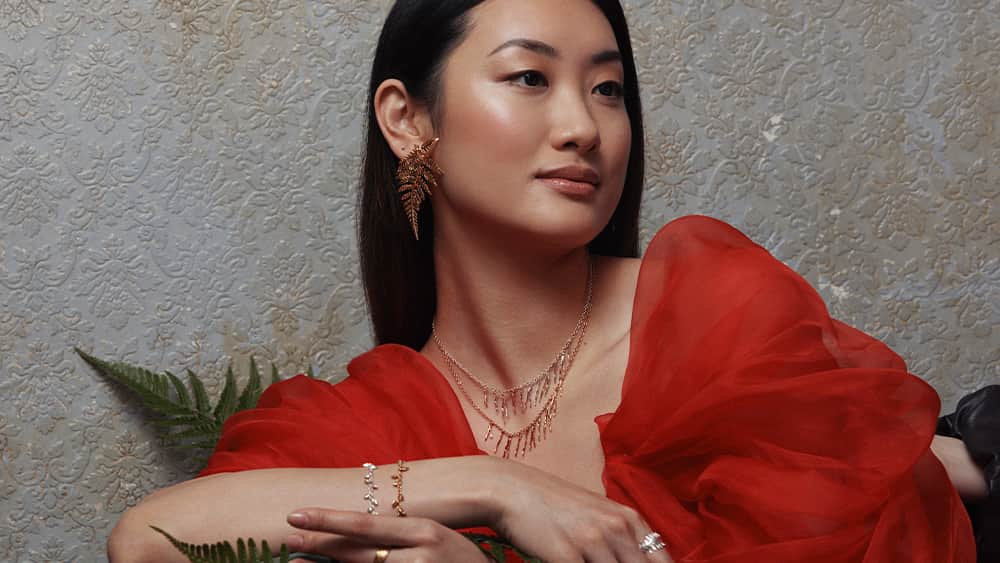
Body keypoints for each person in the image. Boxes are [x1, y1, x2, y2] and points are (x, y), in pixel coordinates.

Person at [107, 1, 989, 561]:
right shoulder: (371, 418)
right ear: (408, 121)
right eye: (530, 77)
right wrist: (496, 483)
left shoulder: (715, 317)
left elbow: (880, 487)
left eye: (609, 90)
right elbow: (146, 540)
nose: (582, 125)